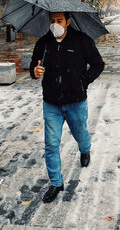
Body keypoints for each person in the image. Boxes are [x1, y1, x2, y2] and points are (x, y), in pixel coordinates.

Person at [29, 11, 105, 203]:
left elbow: (98, 64)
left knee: (80, 133)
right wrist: (34, 72)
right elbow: (33, 66)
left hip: (76, 101)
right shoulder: (43, 43)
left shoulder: (82, 41)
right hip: (51, 102)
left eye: (59, 21)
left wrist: (84, 81)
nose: (55, 24)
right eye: (52, 21)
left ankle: (85, 149)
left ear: (68, 22)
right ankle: (56, 182)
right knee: (51, 144)